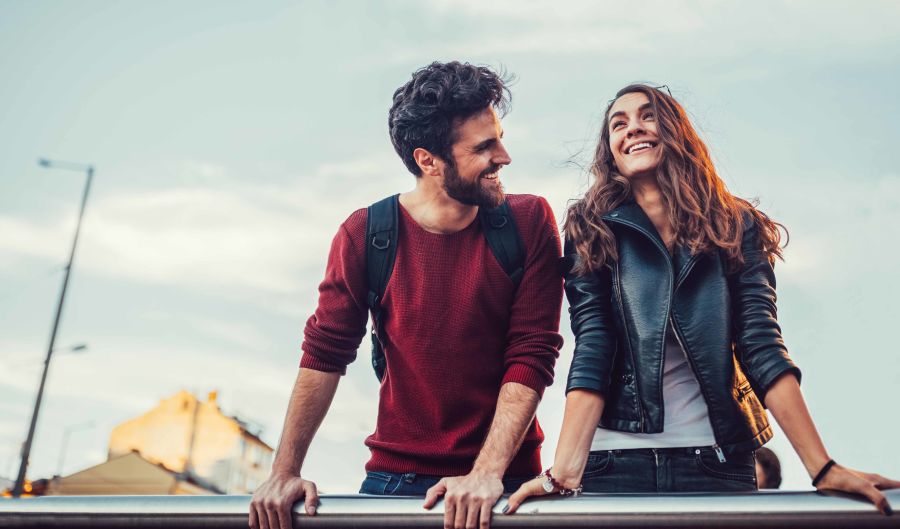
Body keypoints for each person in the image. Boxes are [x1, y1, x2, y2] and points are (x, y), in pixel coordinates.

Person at [505, 84, 899, 515]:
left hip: (717, 460)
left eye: (647, 116)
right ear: (611, 151)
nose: (632, 128)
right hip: (613, 461)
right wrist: (561, 473)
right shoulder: (590, 228)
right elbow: (594, 345)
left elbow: (761, 344)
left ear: (674, 132)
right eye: (619, 124)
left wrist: (821, 467)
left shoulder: (737, 224)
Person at [249, 61, 564, 529]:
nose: (504, 156)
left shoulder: (528, 221)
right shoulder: (366, 234)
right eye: (484, 147)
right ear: (428, 160)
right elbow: (325, 353)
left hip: (502, 483)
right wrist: (284, 473)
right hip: (397, 479)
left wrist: (485, 473)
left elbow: (532, 353)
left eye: (499, 136)